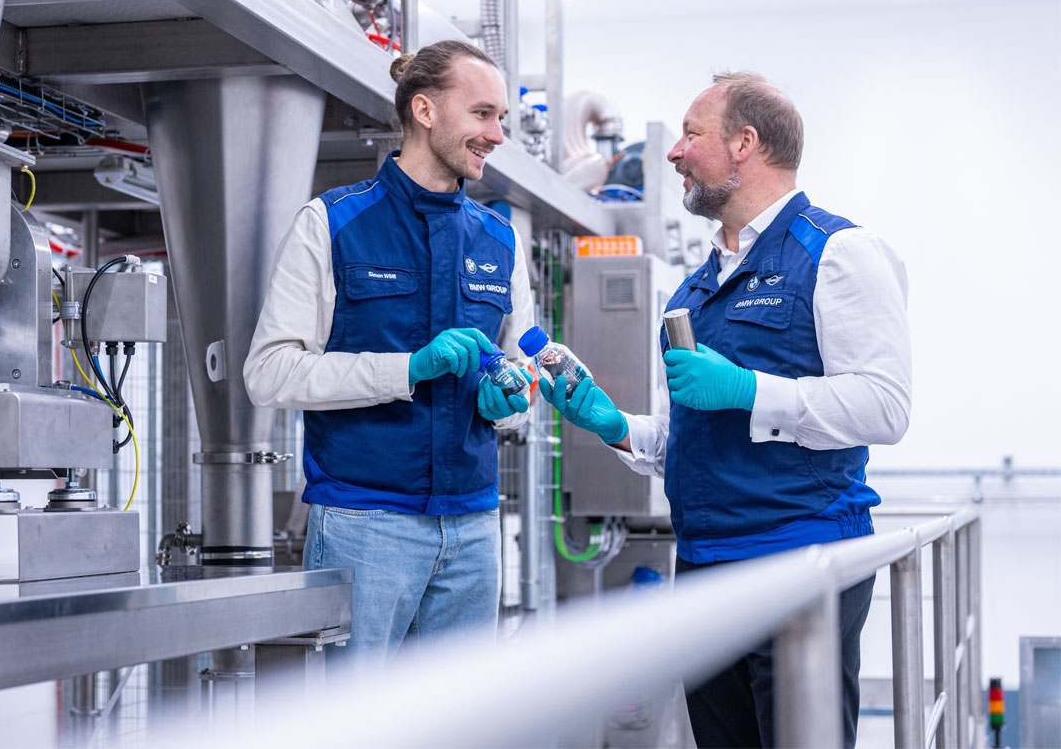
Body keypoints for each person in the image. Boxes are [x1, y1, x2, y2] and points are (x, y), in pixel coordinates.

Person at [542, 71, 911, 748]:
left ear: (744, 144)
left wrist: (748, 390)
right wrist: (614, 425)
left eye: (690, 134)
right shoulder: (695, 287)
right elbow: (696, 434)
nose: (675, 153)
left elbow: (885, 407)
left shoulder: (838, 253)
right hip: (706, 570)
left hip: (801, 563)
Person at [243, 40, 535, 670]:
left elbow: (523, 378)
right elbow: (267, 373)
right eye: (483, 115)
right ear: (425, 110)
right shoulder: (332, 223)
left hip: (476, 527)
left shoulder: (499, 240)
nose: (498, 134)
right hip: (363, 524)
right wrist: (406, 370)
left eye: (502, 118)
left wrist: (512, 401)